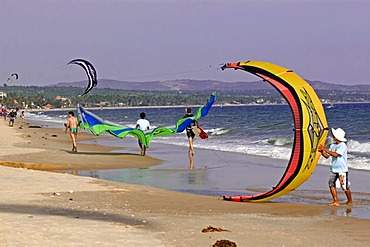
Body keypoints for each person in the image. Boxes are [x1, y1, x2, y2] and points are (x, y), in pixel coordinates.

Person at [318, 127, 353, 206]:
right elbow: (327, 156)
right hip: (334, 169)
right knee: (331, 184)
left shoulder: (342, 145)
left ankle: (350, 201)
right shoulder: (332, 145)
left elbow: (336, 154)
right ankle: (335, 201)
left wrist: (325, 149)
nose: (333, 137)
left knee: (344, 186)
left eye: (334, 136)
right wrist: (322, 151)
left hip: (342, 169)